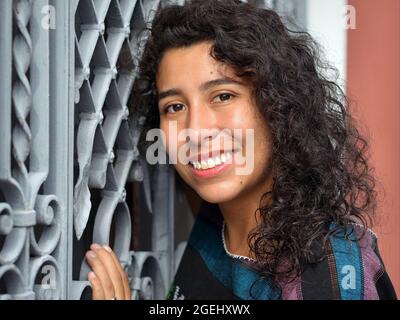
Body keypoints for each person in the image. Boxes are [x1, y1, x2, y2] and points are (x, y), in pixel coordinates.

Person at [85, 0, 397, 300]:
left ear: (278, 106)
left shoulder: (326, 283)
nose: (195, 131)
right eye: (175, 106)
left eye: (222, 96)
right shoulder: (217, 214)